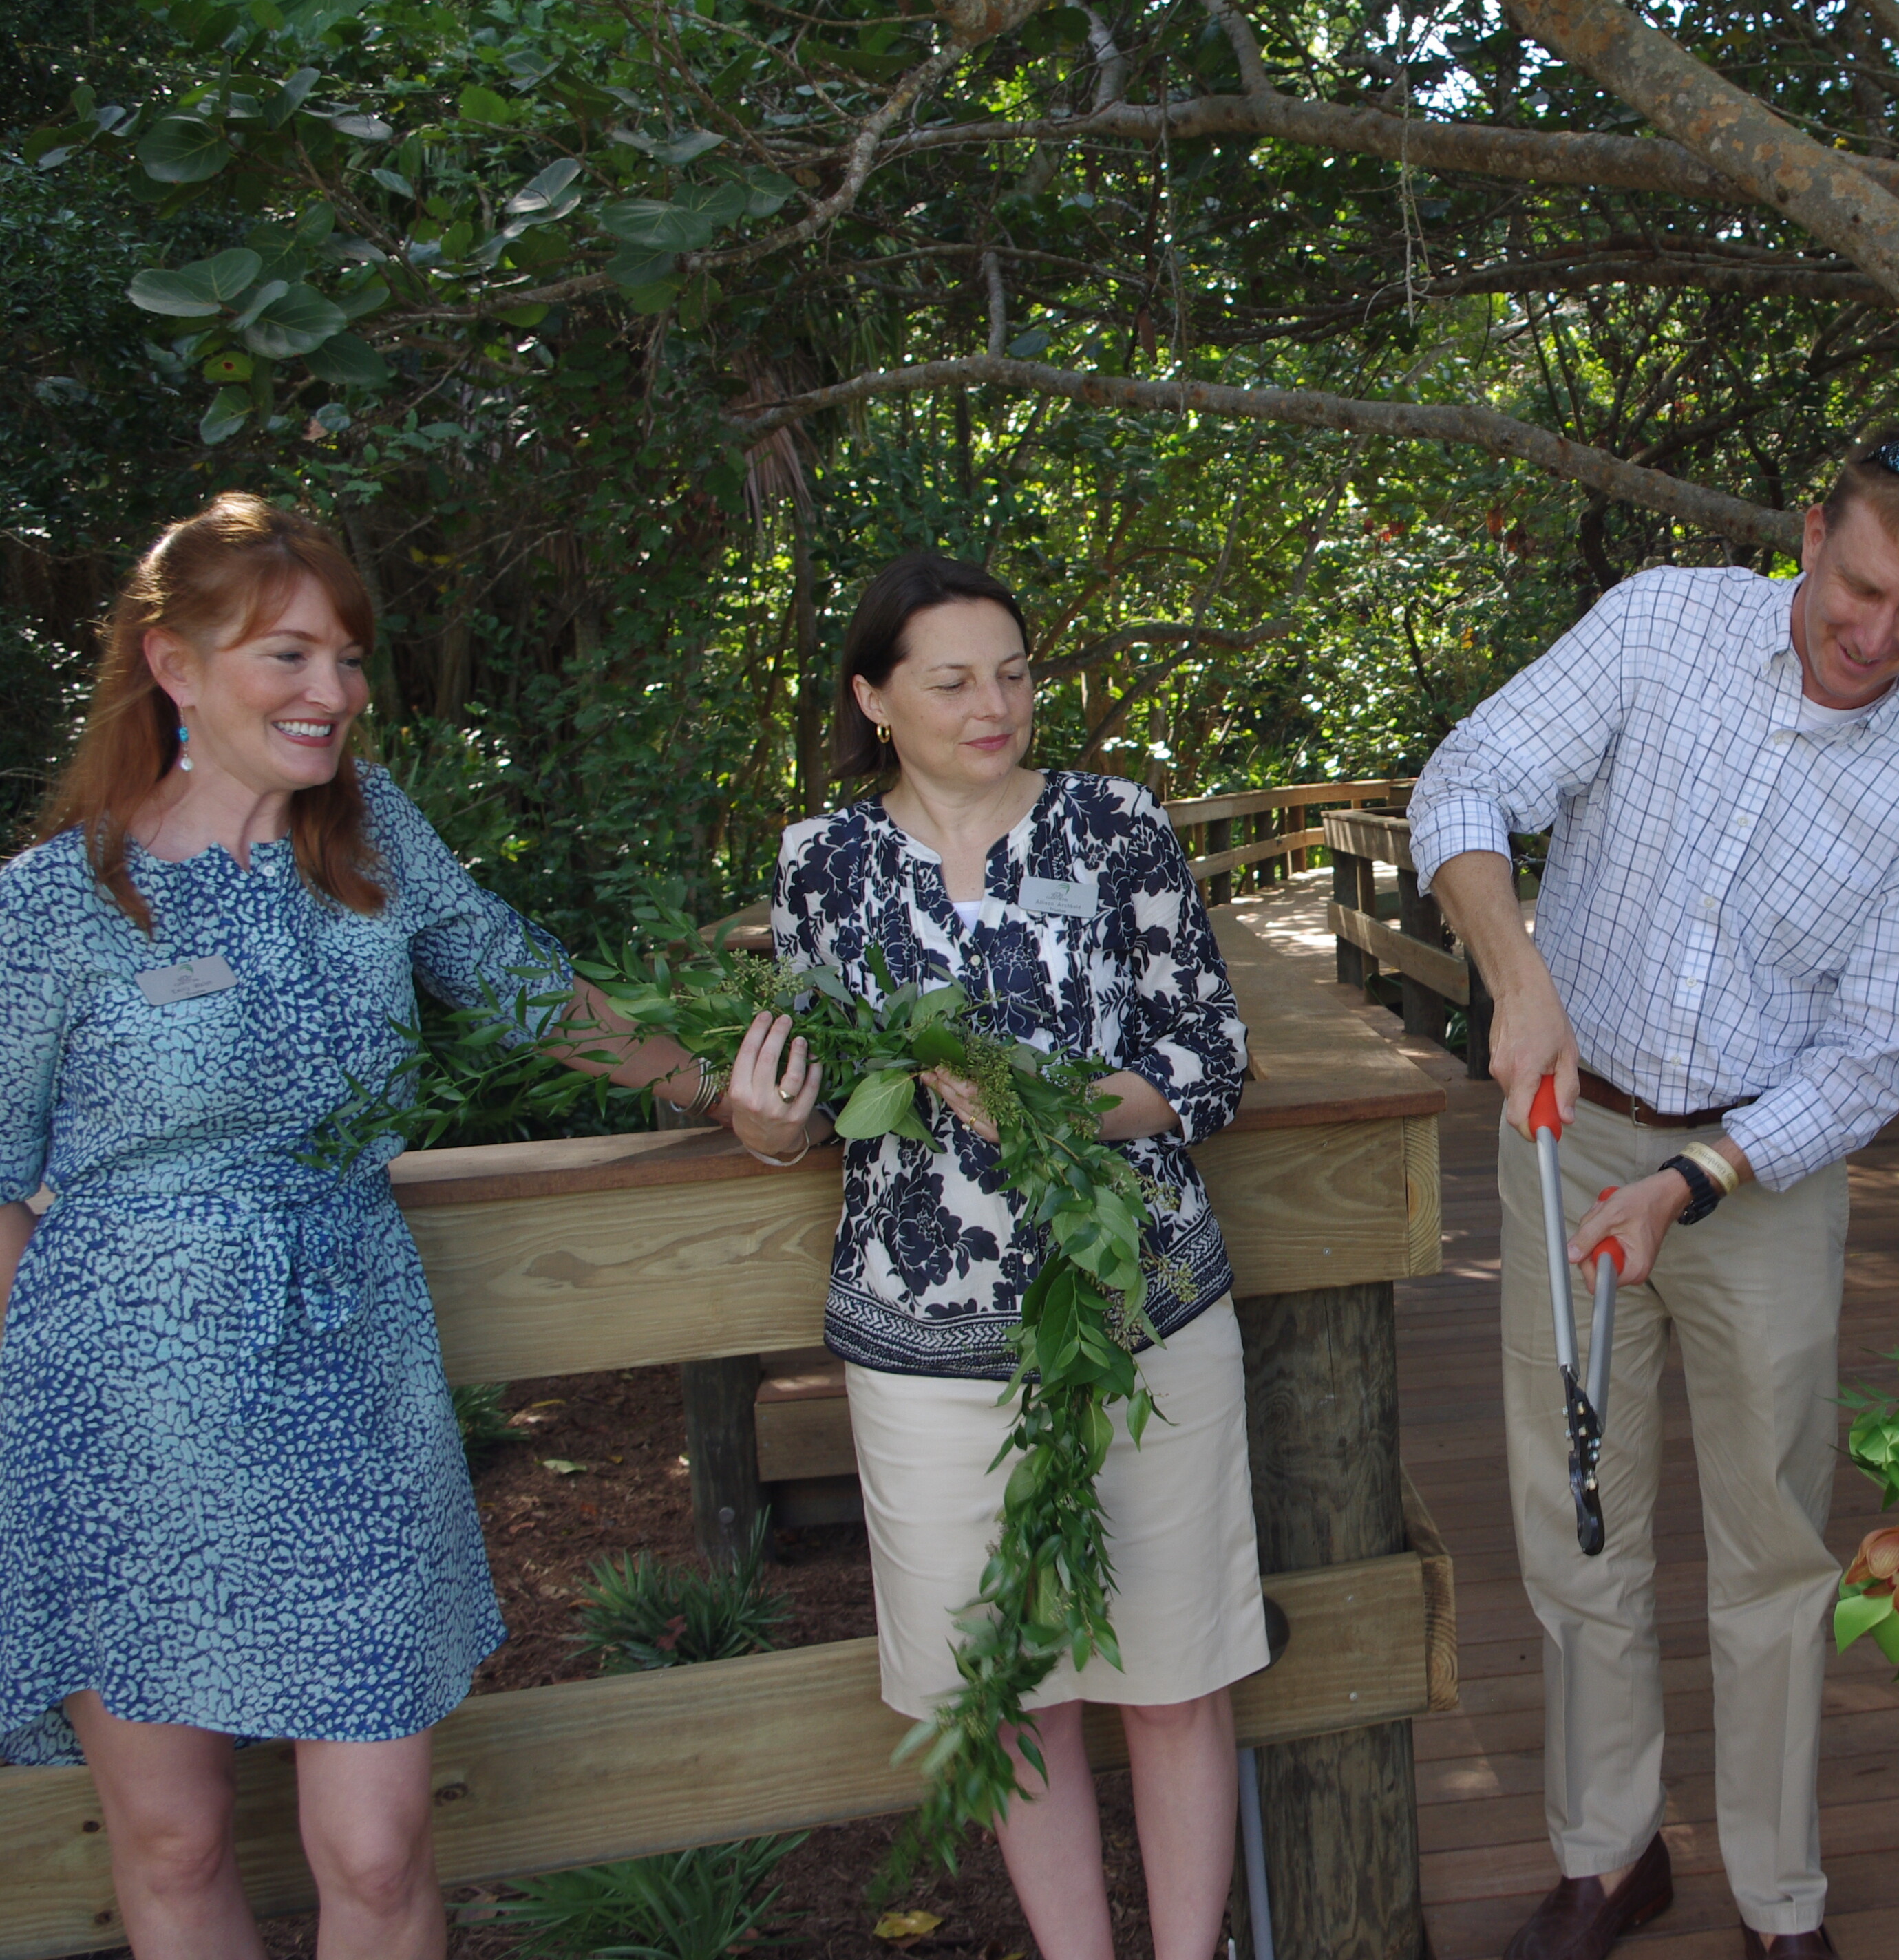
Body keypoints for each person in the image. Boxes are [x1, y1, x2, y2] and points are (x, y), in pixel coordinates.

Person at [0, 493, 729, 1957]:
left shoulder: (372, 837)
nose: (332, 693)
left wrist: (730, 1092)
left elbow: (532, 992)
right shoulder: (54, 904)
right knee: (172, 1830)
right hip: (124, 1420)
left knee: (379, 1848)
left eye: (347, 657)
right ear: (172, 662)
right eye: (288, 655)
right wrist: (59, 1367)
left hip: (350, 1379)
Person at [1412, 426, 1899, 1960]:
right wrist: (1516, 976)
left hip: (1760, 1177)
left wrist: (1699, 1174)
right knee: (1575, 1517)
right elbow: (1468, 775)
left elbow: (1870, 1058)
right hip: (1564, 1133)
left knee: (1774, 1544)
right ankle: (1607, 1858)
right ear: (1808, 528)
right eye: (1859, 585)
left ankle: (1776, 1898)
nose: (1874, 637)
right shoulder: (1663, 621)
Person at [721, 552, 1260, 1960]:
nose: (995, 702)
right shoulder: (819, 864)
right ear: (872, 696)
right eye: (952, 678)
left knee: (1174, 1672)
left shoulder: (1115, 825)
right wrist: (763, 1124)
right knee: (1008, 1688)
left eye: (1014, 672)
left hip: (1139, 1313)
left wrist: (1080, 1104)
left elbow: (1208, 1050)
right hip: (923, 1340)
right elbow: (811, 1096)